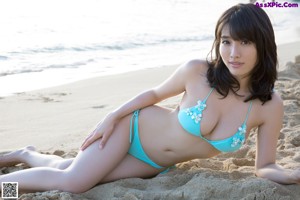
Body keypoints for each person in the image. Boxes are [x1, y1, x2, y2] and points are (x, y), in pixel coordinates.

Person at [0, 3, 299, 194]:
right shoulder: (198, 72)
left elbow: (265, 166)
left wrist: (290, 175)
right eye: (226, 41)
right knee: (74, 182)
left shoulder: (268, 105)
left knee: (64, 171)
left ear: (262, 44)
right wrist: (113, 117)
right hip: (130, 131)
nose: (233, 53)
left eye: (244, 42)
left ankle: (26, 154)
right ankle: (4, 189)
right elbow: (154, 94)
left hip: (154, 163)